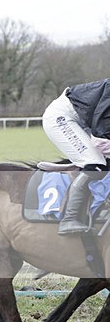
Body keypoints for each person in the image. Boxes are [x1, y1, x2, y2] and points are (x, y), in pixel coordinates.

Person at [42, 78, 110, 234]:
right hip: (62, 118)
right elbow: (101, 140)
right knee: (96, 163)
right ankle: (69, 219)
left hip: (83, 119)